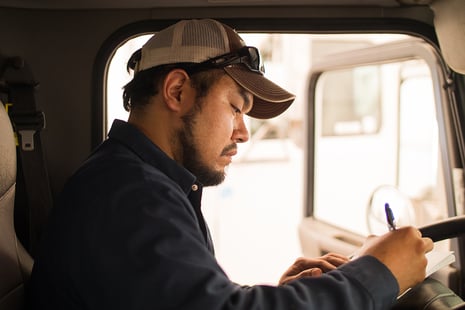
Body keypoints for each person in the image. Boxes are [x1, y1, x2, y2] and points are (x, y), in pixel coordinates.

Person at [29, 18, 433, 309]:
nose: (243, 133)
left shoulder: (147, 183)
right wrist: (377, 274)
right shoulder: (126, 196)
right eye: (236, 109)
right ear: (177, 90)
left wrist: (280, 292)